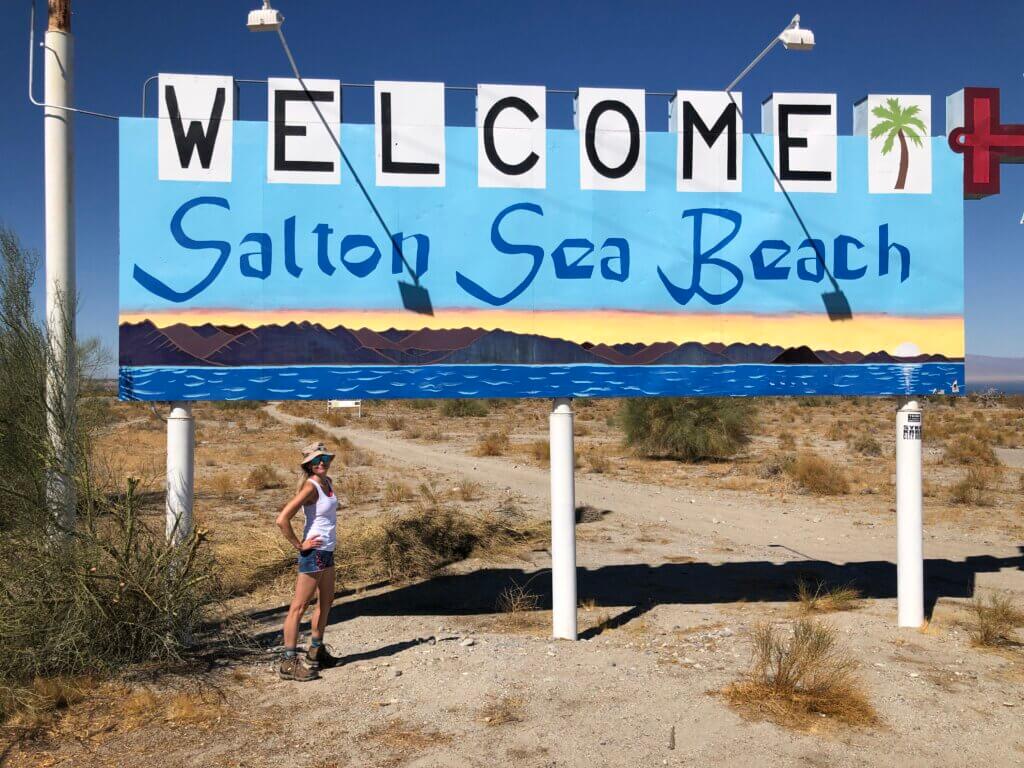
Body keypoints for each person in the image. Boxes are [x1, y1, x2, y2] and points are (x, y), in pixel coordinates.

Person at [275, 441, 343, 681]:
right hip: (313, 553)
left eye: (324, 458)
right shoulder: (311, 486)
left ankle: (315, 652)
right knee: (299, 607)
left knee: (326, 601)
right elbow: (282, 519)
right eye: (316, 460)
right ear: (309, 465)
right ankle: (288, 662)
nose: (322, 463)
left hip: (326, 551)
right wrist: (299, 544)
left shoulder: (327, 483)